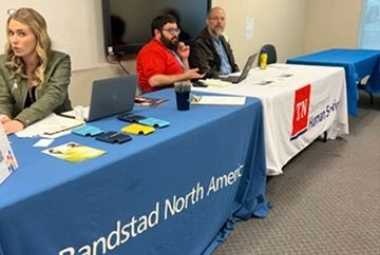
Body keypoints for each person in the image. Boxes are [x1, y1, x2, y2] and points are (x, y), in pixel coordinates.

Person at [0, 7, 72, 135]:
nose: (14, 40)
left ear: (38, 36)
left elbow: (53, 97)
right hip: (23, 132)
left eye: (22, 34)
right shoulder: (3, 63)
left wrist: (21, 120)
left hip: (59, 128)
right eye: (11, 33)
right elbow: (3, 99)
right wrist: (4, 118)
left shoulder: (60, 61)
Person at [136, 13, 204, 93]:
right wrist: (185, 76)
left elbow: (186, 81)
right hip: (159, 99)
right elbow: (154, 81)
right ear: (157, 33)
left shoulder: (169, 49)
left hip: (177, 94)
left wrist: (184, 58)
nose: (175, 34)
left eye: (176, 30)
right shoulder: (151, 50)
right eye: (170, 30)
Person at [189, 6, 239, 79]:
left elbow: (233, 65)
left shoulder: (223, 40)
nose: (219, 22)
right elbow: (204, 71)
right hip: (217, 83)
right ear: (207, 21)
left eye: (222, 19)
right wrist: (225, 79)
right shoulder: (200, 43)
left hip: (230, 80)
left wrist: (239, 76)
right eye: (216, 18)